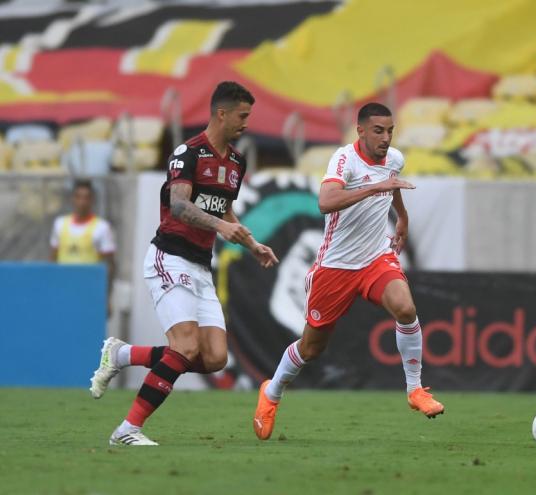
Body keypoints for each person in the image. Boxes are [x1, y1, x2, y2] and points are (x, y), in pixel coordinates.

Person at [89, 81, 279, 446]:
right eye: (242, 116)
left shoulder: (236, 162)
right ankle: (127, 430)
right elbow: (179, 205)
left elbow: (223, 206)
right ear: (221, 114)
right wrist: (223, 227)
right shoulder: (187, 153)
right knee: (186, 347)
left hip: (200, 266)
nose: (247, 123)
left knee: (214, 358)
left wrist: (252, 243)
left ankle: (123, 353)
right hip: (169, 257)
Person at [253, 102, 444, 440]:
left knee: (406, 308)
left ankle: (415, 390)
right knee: (311, 349)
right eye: (378, 131)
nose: (385, 138)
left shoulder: (394, 159)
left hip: (375, 257)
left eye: (389, 131)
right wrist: (373, 188)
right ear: (360, 131)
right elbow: (325, 201)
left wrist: (402, 216)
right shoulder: (344, 159)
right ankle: (272, 393)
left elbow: (392, 184)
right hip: (336, 266)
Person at [50, 179, 116, 313]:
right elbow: (53, 259)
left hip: (89, 292)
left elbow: (110, 265)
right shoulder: (60, 224)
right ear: (72, 199)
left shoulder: (101, 228)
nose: (82, 202)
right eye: (78, 197)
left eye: (86, 197)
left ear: (92, 200)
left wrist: (107, 297)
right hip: (64, 290)